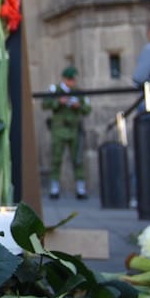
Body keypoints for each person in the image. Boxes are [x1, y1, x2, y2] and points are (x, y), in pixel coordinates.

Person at [42, 66, 91, 199]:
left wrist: (78, 106)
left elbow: (87, 108)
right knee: (56, 159)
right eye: (69, 79)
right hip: (58, 129)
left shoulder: (78, 92)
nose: (72, 82)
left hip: (74, 129)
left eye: (73, 79)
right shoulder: (55, 90)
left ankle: (81, 189)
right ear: (64, 79)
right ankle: (54, 189)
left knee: (78, 159)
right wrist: (58, 102)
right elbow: (44, 103)